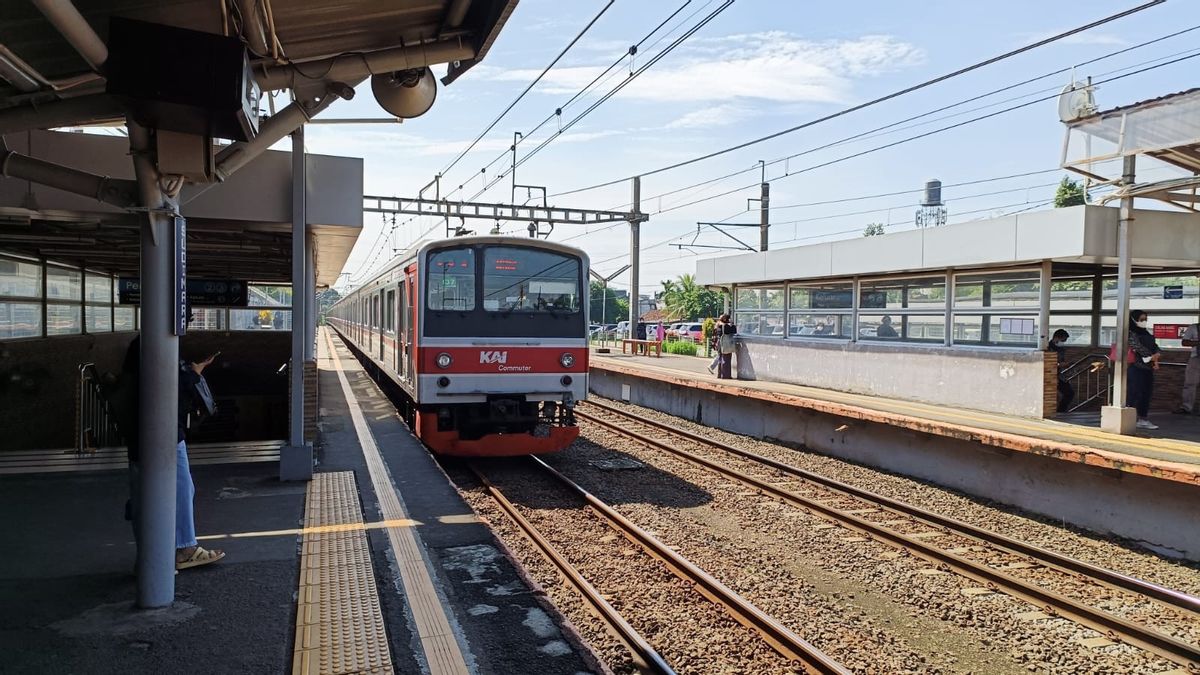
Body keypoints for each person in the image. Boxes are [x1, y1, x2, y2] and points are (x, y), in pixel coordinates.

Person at [118, 326, 226, 572]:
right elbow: (169, 389)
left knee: (144, 493)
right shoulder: (161, 344)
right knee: (180, 488)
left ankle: (149, 556)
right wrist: (194, 373)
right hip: (162, 433)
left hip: (139, 433)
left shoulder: (140, 344)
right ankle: (184, 549)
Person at [1127, 310, 1161, 430]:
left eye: (1145, 319)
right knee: (1134, 392)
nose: (1144, 322)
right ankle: (1129, 418)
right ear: (1133, 319)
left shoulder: (1146, 332)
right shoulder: (1130, 332)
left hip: (1148, 368)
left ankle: (1143, 418)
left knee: (1146, 393)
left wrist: (1156, 354)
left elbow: (1155, 345)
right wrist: (1151, 356)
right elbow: (1136, 346)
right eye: (1141, 320)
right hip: (1136, 367)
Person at [1174, 320, 1200, 414]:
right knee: (1190, 383)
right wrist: (1197, 343)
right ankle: (1186, 407)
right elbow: (1184, 342)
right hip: (1196, 358)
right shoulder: (1194, 327)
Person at [1047, 329, 1074, 413]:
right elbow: (1047, 362)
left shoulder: (1061, 349)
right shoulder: (1047, 347)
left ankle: (1061, 411)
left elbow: (1061, 361)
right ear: (1056, 337)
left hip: (1058, 374)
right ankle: (1058, 411)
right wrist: (1059, 364)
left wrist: (1065, 364)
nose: (1063, 342)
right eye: (1063, 340)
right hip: (1049, 375)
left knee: (1069, 393)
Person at [715, 313, 737, 379]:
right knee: (726, 359)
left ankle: (719, 374)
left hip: (719, 343)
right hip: (725, 344)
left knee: (720, 358)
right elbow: (734, 331)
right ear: (725, 319)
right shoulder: (725, 326)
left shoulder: (718, 325)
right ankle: (725, 375)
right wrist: (732, 324)